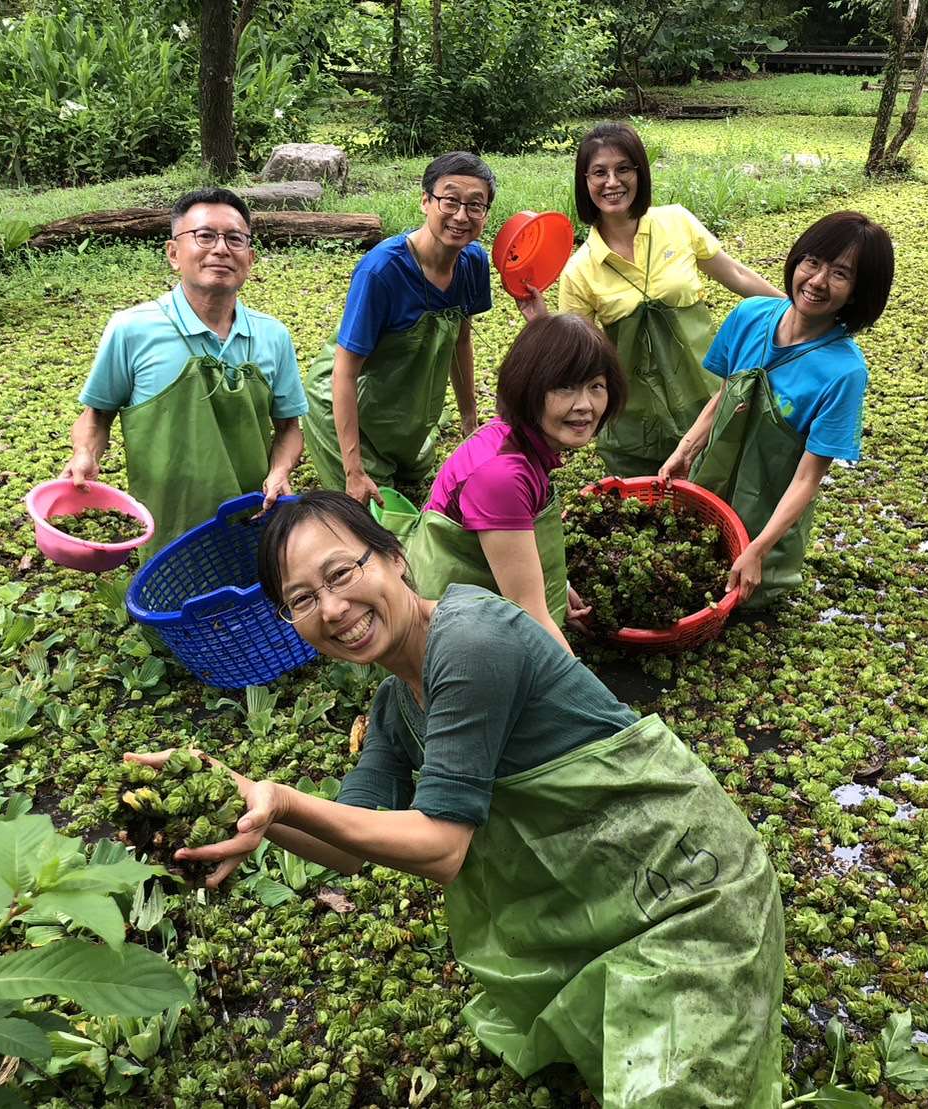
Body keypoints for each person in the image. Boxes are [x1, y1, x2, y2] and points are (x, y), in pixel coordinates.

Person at [129, 492, 785, 1107]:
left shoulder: (470, 641)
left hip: (694, 890)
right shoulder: (393, 704)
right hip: (609, 894)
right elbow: (348, 848)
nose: (330, 608)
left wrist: (280, 799)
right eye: (301, 598)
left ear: (393, 556)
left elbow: (441, 848)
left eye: (341, 573)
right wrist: (244, 806)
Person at [659, 210, 895, 607]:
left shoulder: (844, 372)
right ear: (797, 260)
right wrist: (685, 451)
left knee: (742, 604)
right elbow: (724, 398)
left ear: (857, 292)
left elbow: (807, 479)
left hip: (767, 518)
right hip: (709, 488)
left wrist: (758, 549)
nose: (817, 281)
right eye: (813, 262)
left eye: (840, 274)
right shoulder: (749, 315)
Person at [528, 122, 782, 478]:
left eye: (623, 169)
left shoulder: (677, 222)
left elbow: (737, 276)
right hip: (635, 419)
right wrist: (540, 325)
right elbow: (577, 355)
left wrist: (795, 311)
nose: (612, 182)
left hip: (707, 391)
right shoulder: (580, 269)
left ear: (640, 173)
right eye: (599, 172)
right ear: (585, 182)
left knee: (722, 483)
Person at [63, 188, 307, 557]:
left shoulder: (273, 335)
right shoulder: (132, 329)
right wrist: (85, 454)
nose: (221, 249)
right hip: (168, 532)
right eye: (205, 236)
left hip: (254, 523)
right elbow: (96, 416)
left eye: (235, 239)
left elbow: (290, 428)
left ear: (250, 258)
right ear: (174, 253)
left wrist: (279, 471)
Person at [403, 314, 627, 652]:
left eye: (596, 386)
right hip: (450, 642)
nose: (584, 405)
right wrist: (595, 702)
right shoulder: (502, 476)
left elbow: (514, 542)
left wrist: (557, 584)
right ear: (529, 386)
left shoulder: (516, 437)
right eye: (565, 386)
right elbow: (531, 618)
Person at [301, 152, 494, 506]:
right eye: (450, 201)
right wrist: (353, 471)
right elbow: (343, 373)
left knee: (414, 480)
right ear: (425, 201)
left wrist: (471, 424)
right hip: (343, 405)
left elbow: (460, 340)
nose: (461, 216)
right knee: (376, 516)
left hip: (403, 413)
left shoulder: (474, 261)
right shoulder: (381, 271)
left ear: (485, 214)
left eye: (475, 205)